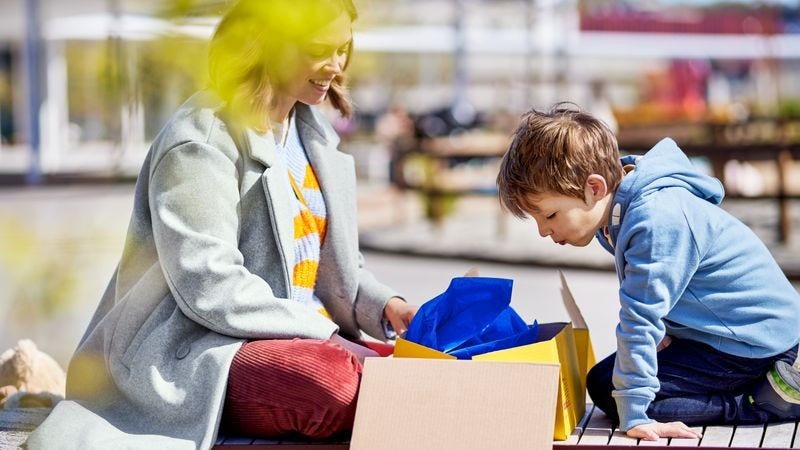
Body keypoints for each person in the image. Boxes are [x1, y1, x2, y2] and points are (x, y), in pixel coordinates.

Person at [27, 0, 417, 448]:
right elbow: (210, 284)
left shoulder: (314, 136)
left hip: (303, 339)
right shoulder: (201, 139)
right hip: (201, 349)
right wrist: (331, 338)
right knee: (336, 385)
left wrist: (388, 307)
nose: (336, 65)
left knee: (422, 363)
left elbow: (330, 268)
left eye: (343, 48)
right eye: (318, 50)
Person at [495, 103, 800, 441]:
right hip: (722, 330)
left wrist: (635, 414)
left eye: (550, 215)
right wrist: (667, 329)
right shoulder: (616, 210)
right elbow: (661, 290)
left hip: (753, 341)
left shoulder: (655, 220)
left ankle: (760, 401)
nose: (543, 231)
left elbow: (639, 319)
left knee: (614, 393)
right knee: (605, 380)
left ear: (594, 188)